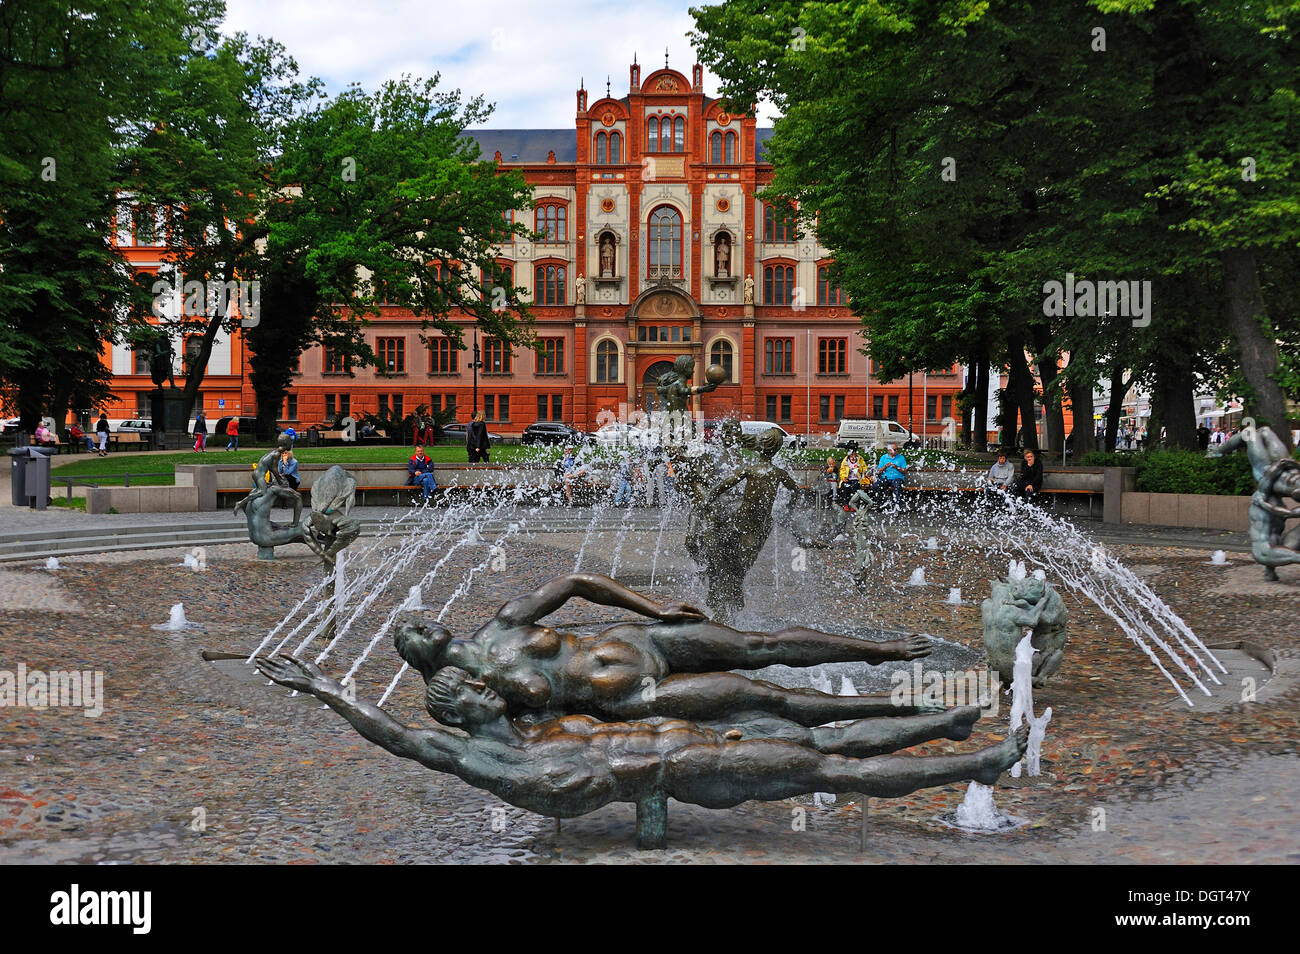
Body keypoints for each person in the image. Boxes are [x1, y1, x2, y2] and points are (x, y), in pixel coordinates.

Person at [257, 654, 1029, 822]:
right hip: (690, 771)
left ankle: (945, 722)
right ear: (461, 714)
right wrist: (328, 689)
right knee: (830, 768)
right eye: (474, 691)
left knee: (810, 732)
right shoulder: (481, 753)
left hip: (690, 739)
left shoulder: (532, 724)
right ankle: (976, 763)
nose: (489, 685)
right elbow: (397, 737)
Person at [393, 571, 935, 726]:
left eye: (417, 620)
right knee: (759, 695)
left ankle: (878, 651)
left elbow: (578, 582)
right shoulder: (461, 696)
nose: (419, 623)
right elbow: (513, 743)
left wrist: (652, 611)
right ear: (418, 661)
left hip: (639, 639)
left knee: (758, 644)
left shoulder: (502, 624)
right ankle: (899, 705)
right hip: (630, 698)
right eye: (410, 635)